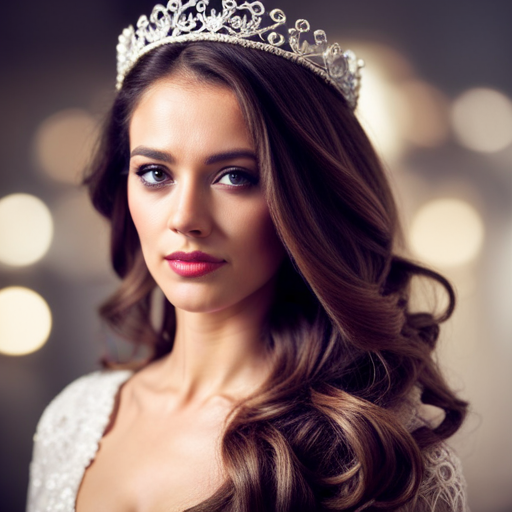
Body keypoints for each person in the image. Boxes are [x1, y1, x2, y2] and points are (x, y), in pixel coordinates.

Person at [27, 1, 469, 511]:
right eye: (155, 173)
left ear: (306, 197)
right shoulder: (72, 418)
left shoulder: (373, 458)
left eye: (235, 176)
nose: (186, 217)